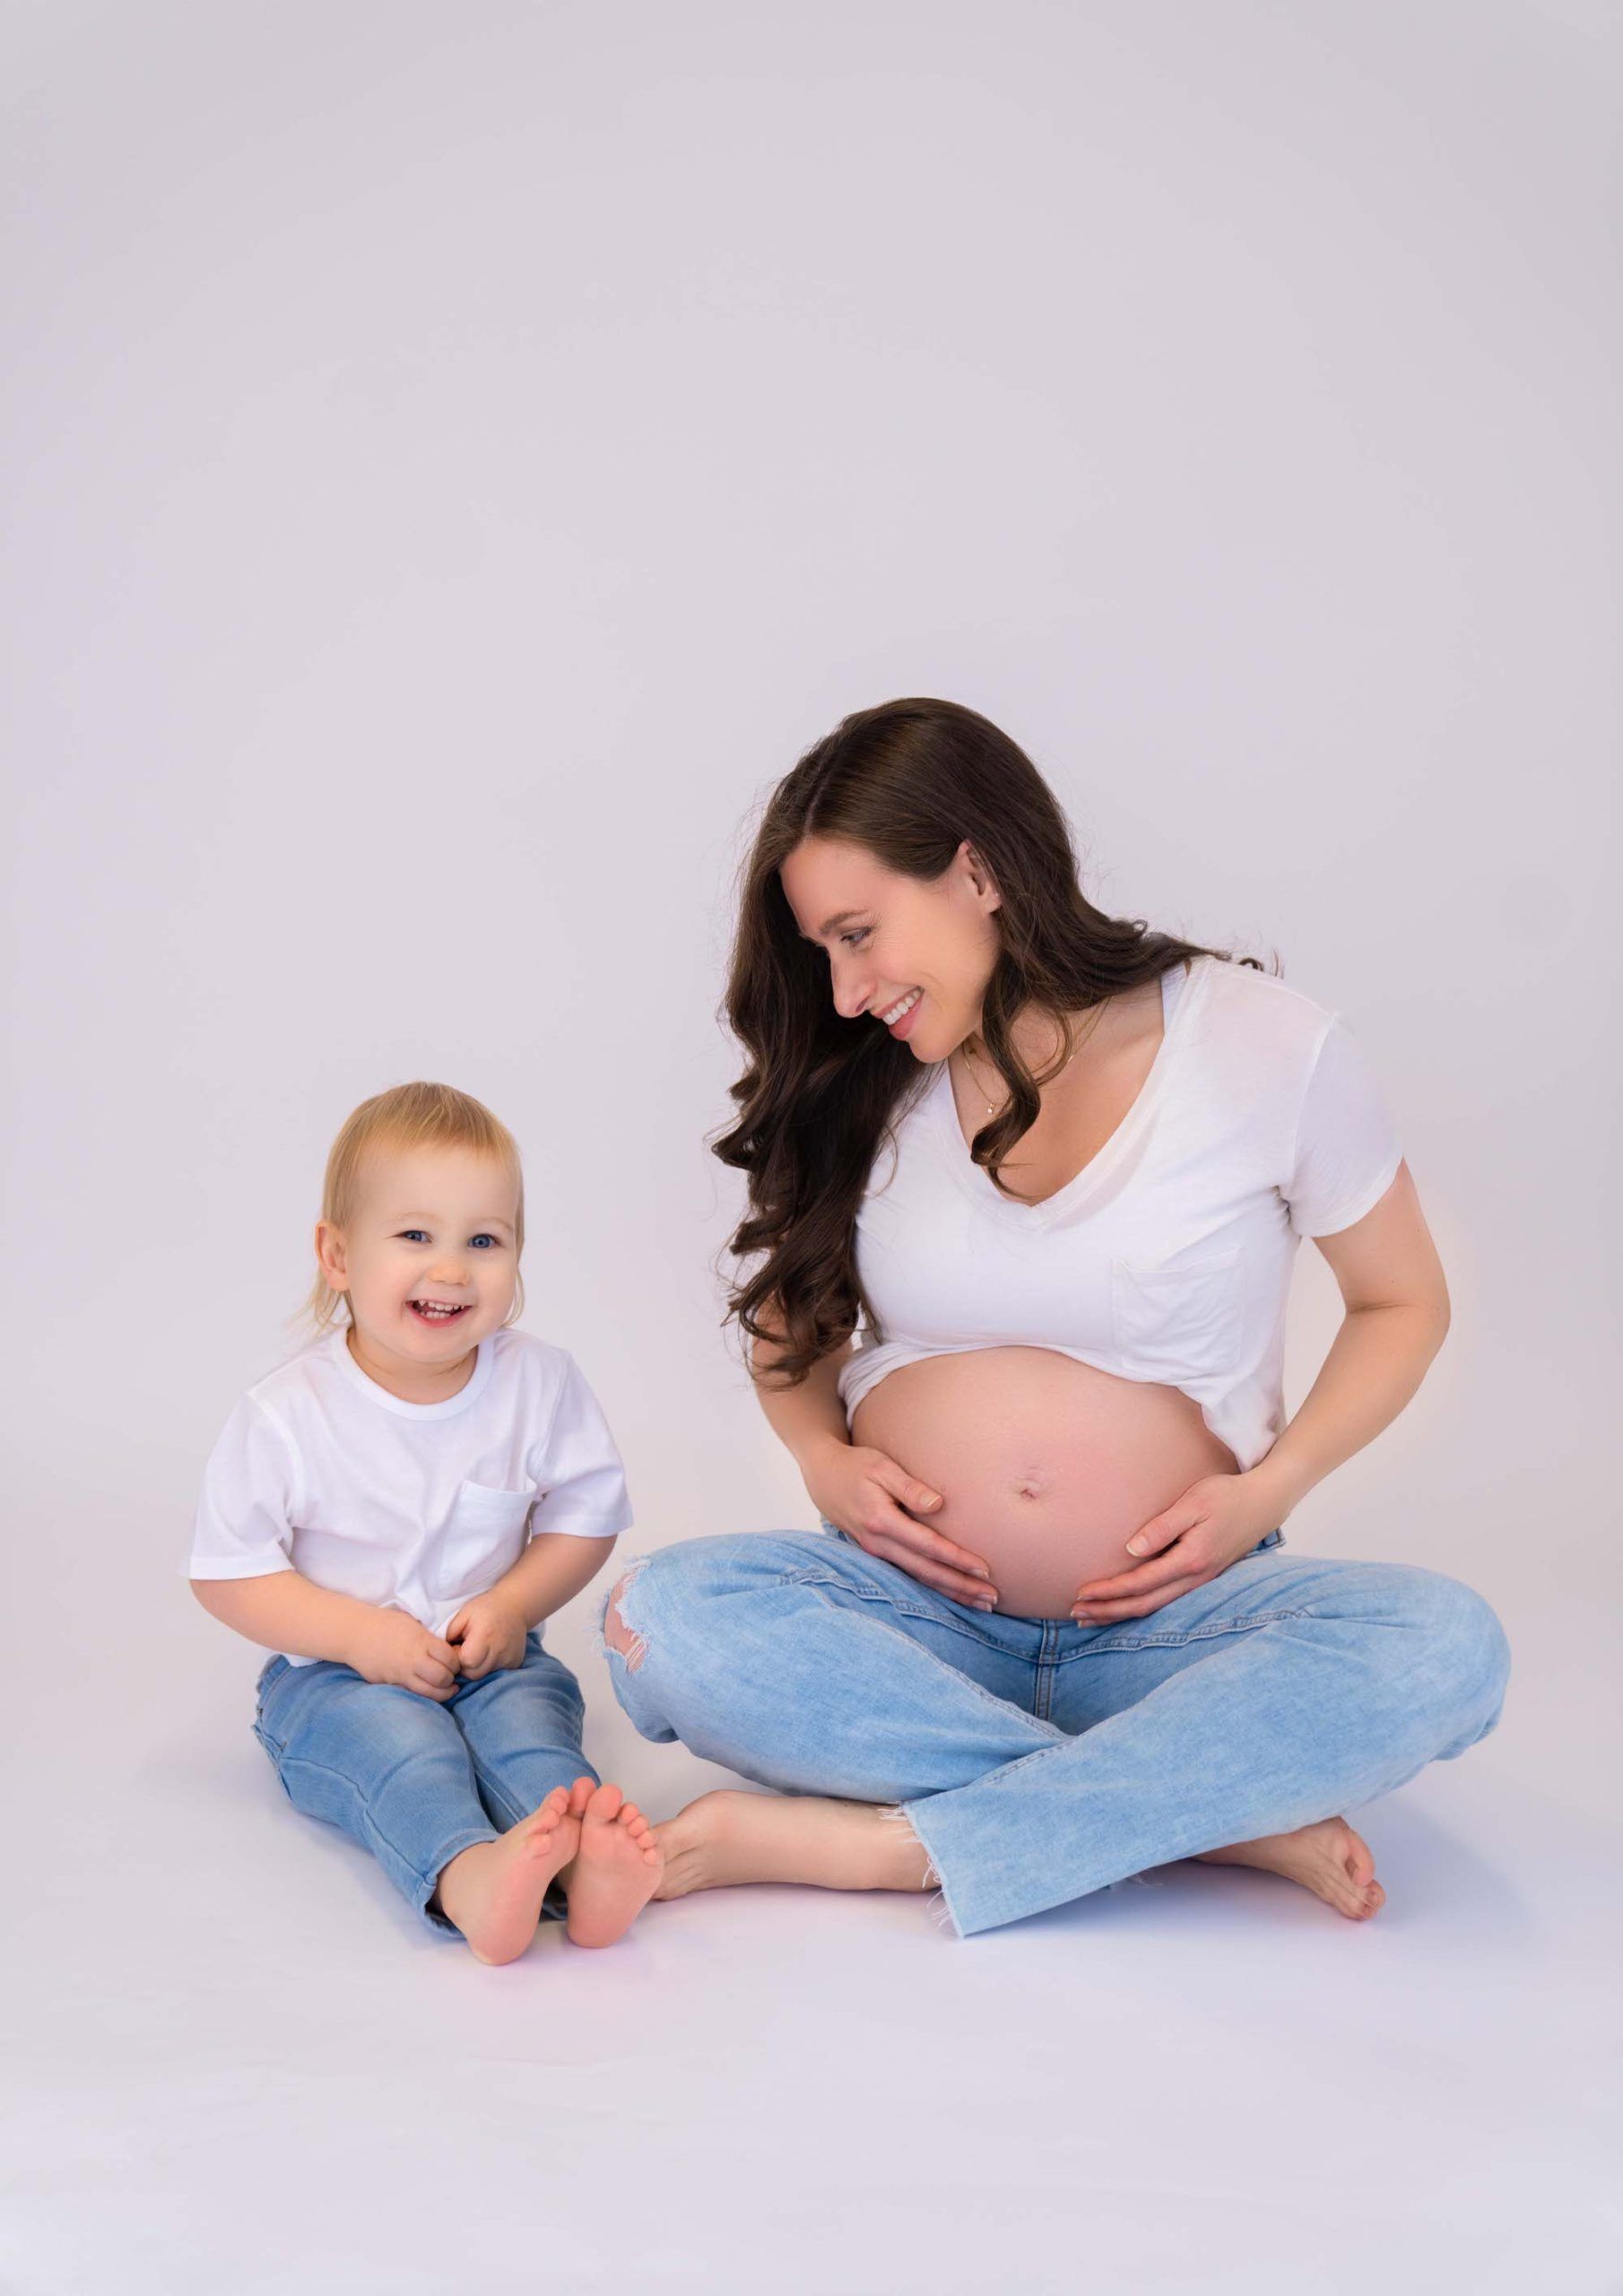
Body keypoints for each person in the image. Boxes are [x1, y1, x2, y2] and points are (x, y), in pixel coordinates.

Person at [600, 696, 1511, 1940]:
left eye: (859, 934)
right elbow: (788, 1339)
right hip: (916, 1622)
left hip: (1178, 1625)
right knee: (656, 1618)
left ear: (974, 870)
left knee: (1445, 1649)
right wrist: (823, 1459)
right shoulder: (863, 1083)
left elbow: (1402, 1298)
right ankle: (1205, 1813)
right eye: (822, 950)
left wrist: (1264, 1489)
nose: (849, 989)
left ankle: (903, 1848)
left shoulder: (1256, 1045)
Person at [187, 1081, 662, 1962]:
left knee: (530, 1730)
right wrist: (356, 1634)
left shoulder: (539, 1382)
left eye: (484, 1241)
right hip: (333, 1678)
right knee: (402, 1752)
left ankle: (582, 1864)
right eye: (415, 1235)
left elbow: (584, 1520)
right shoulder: (288, 1413)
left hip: (495, 1656)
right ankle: (467, 1876)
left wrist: (516, 1604)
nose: (451, 1269)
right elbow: (228, 1569)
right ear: (336, 1253)